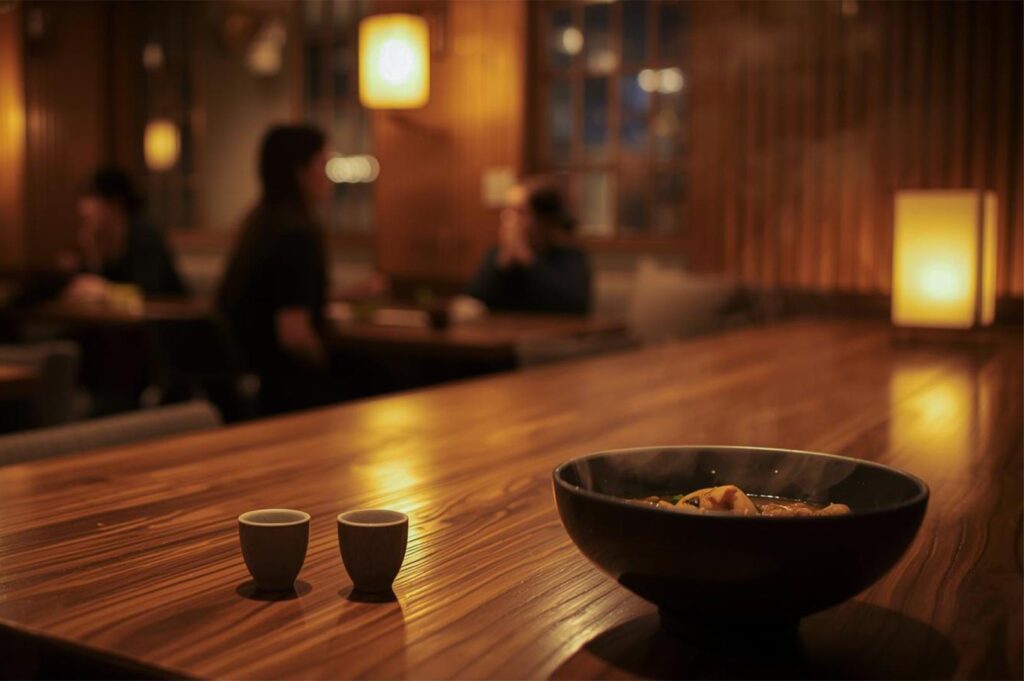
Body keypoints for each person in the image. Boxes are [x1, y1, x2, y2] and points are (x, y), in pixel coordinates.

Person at [216, 125, 336, 415]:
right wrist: (331, 365)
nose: (329, 176)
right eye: (323, 163)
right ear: (300, 171)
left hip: (242, 382)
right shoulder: (298, 233)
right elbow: (294, 335)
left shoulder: (257, 223)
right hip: (283, 393)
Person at [466, 178, 591, 315]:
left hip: (553, 335)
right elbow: (472, 302)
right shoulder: (498, 254)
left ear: (543, 220)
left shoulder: (571, 257)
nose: (508, 219)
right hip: (502, 334)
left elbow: (576, 307)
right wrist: (501, 264)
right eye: (507, 210)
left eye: (520, 212)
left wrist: (527, 258)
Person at [61, 167, 187, 297]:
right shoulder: (99, 239)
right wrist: (92, 252)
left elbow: (149, 292)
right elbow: (88, 287)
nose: (82, 209)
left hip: (172, 314)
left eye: (92, 198)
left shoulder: (144, 235)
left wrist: (106, 290)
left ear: (115, 204)